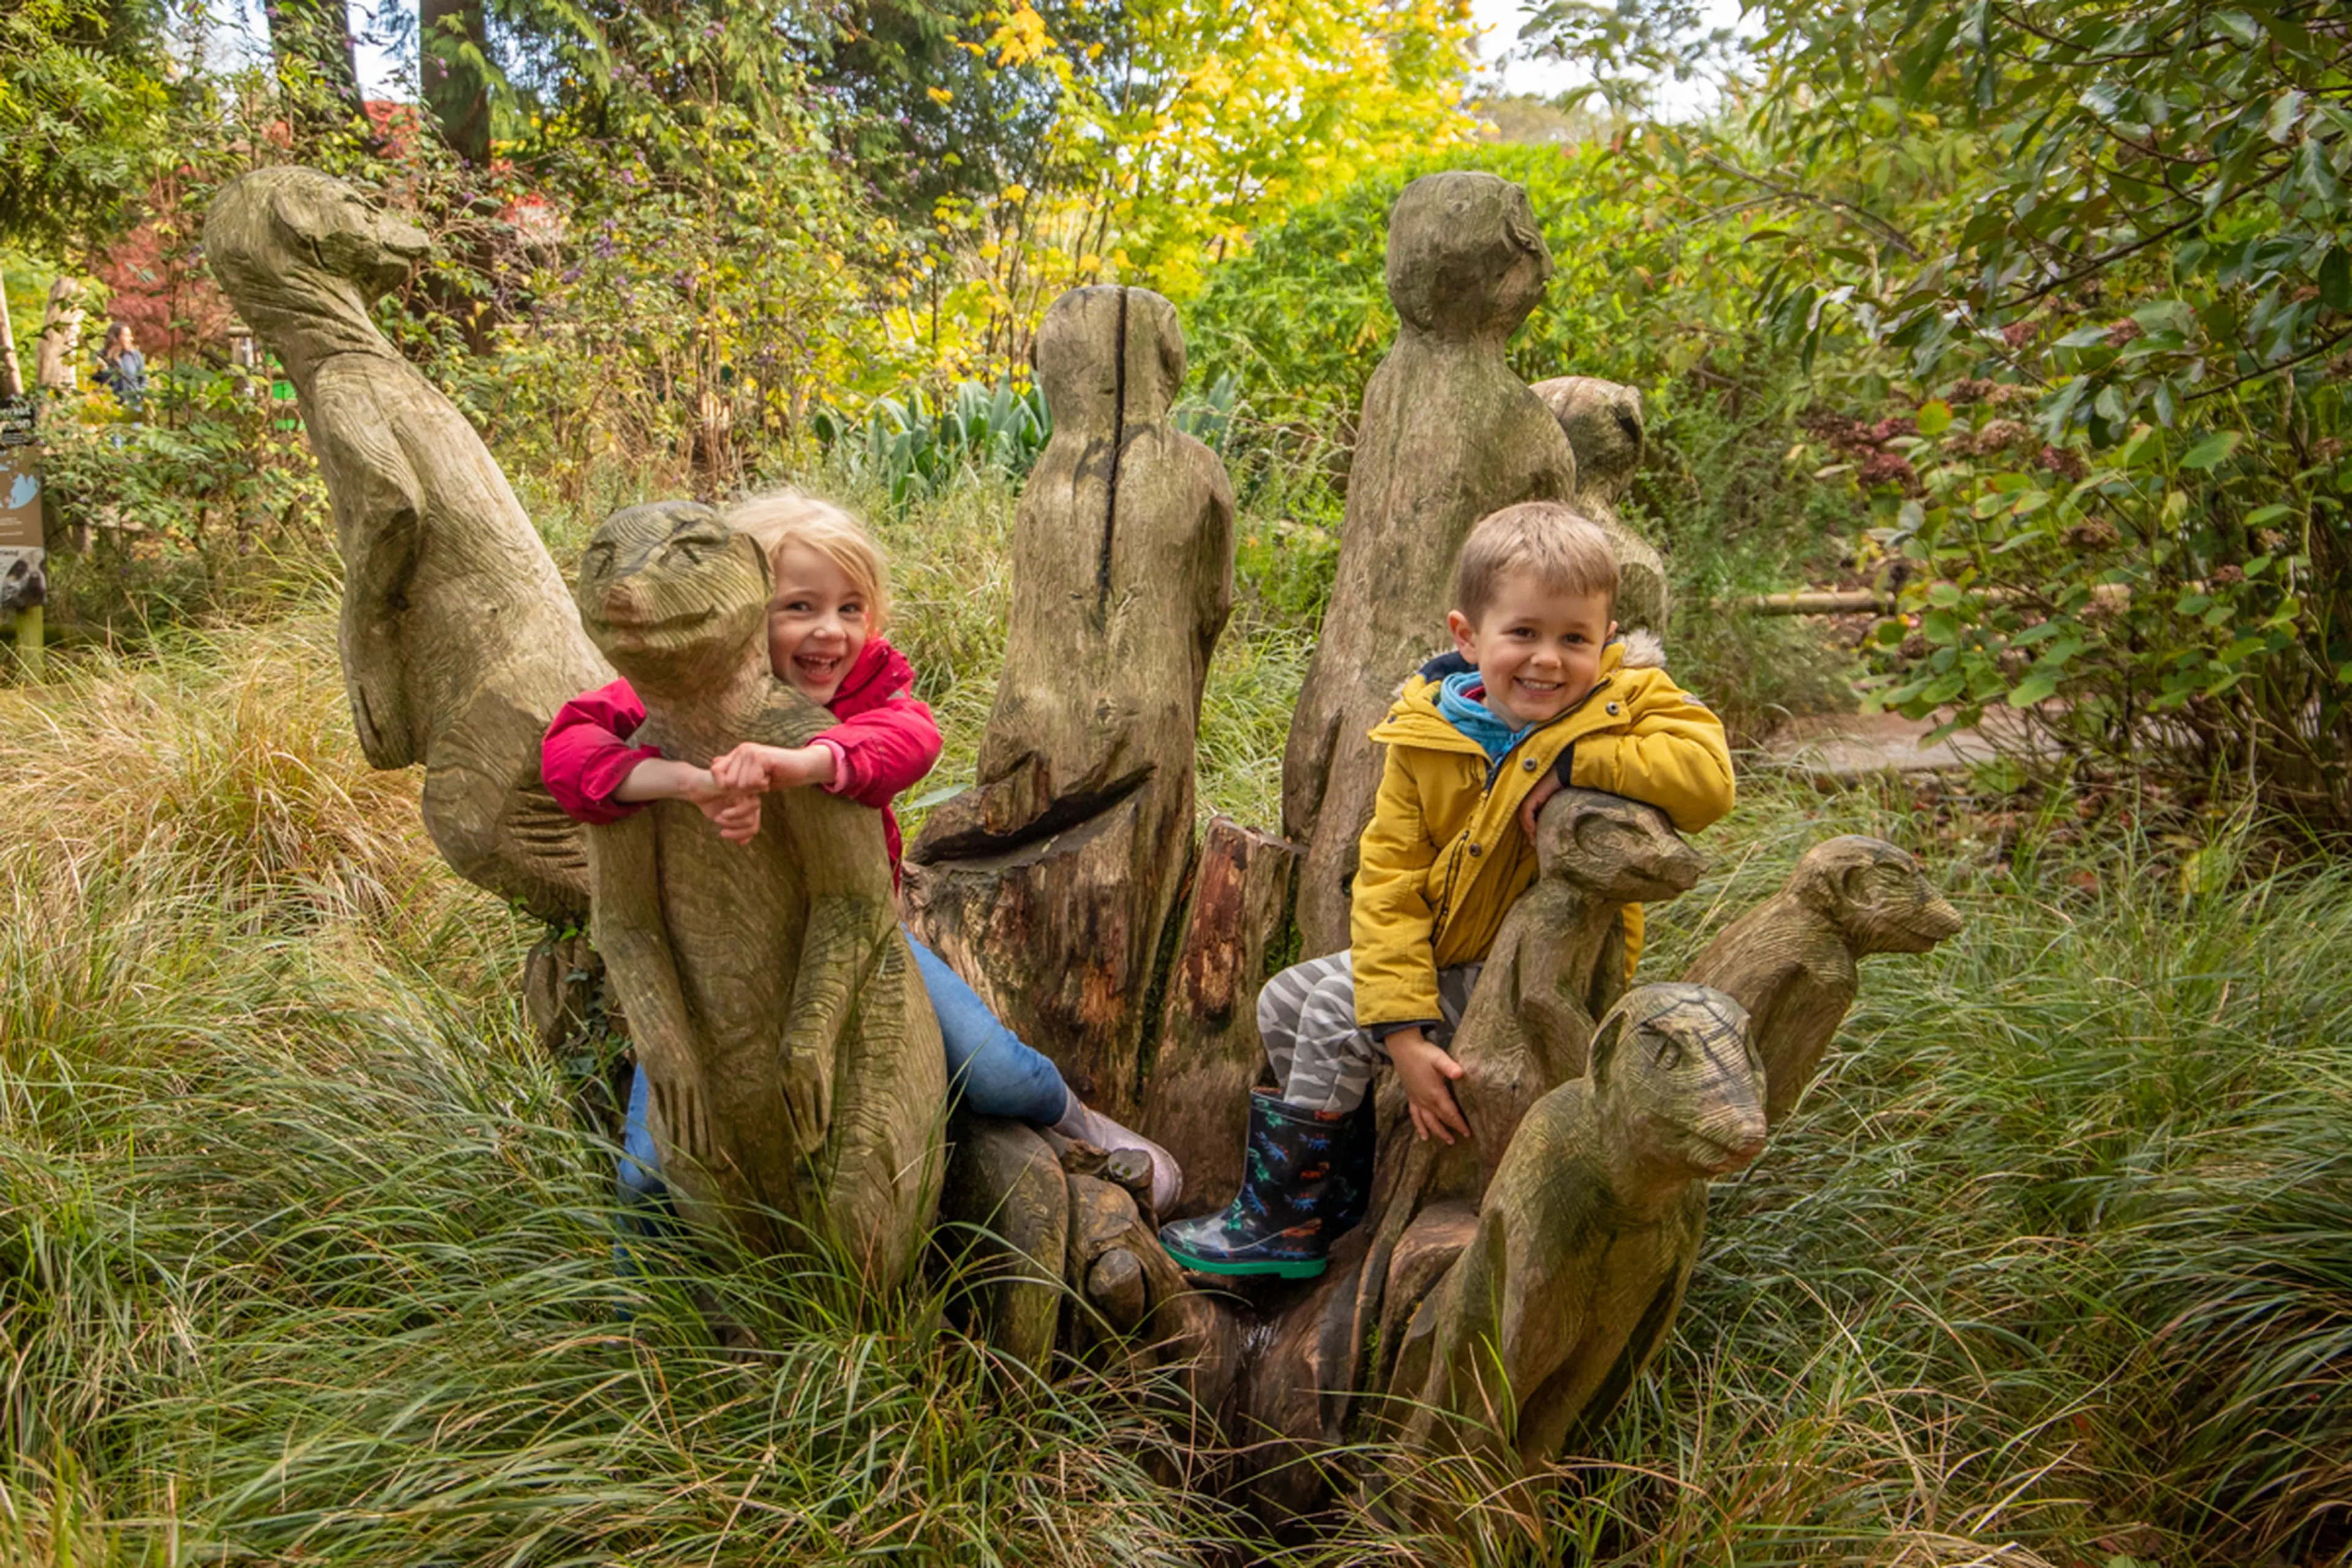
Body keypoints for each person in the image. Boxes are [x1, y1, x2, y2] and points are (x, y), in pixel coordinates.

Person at [541, 491, 1182, 1238]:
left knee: (994, 1067)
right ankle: (632, 1318)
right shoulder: (673, 688)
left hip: (857, 941)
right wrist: (682, 779)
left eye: (851, 608)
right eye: (801, 606)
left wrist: (808, 759)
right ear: (744, 603)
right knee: (647, 1171)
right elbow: (567, 751)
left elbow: (911, 738)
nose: (829, 631)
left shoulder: (866, 689)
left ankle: (1078, 1122)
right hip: (704, 980)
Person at [1159, 501, 1736, 1279]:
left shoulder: (1625, 704)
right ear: (1468, 636)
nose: (1548, 660)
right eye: (1523, 633)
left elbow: (1709, 781)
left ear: (1606, 641)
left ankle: (1282, 1224)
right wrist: (1404, 1033)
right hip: (1448, 964)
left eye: (1576, 639)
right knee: (1285, 999)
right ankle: (1333, 1193)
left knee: (1334, 1007)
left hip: (1532, 979)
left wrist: (1571, 765)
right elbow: (1390, 878)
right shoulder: (1429, 731)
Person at [96, 323, 146, 412]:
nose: (131, 339)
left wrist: (139, 395)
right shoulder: (101, 357)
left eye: (130, 336)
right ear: (115, 338)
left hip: (133, 406)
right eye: (127, 336)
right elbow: (95, 383)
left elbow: (143, 380)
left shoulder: (135, 355)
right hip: (110, 408)